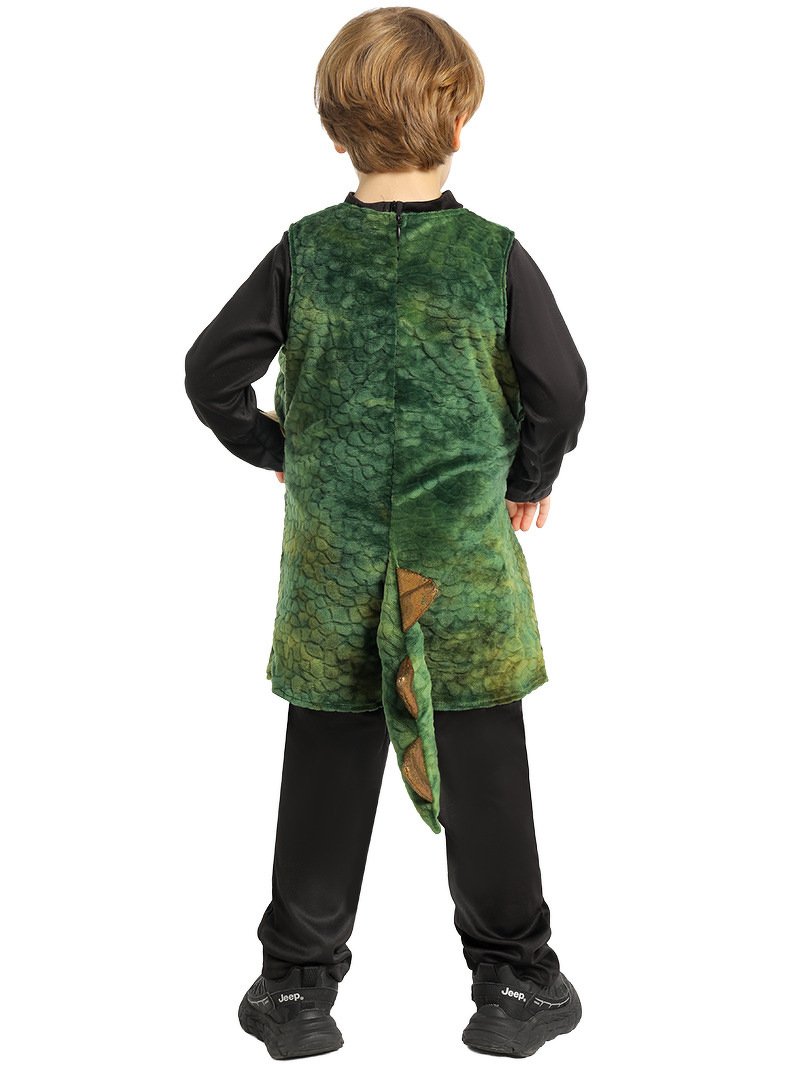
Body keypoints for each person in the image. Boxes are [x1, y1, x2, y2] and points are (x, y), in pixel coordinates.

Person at [184, 6, 587, 1060]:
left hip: (336, 568)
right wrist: (529, 476)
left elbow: (210, 372)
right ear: (458, 125)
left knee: (326, 756)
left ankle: (294, 988)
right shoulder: (491, 255)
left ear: (334, 130)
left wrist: (280, 449)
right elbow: (560, 384)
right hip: (459, 569)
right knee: (484, 759)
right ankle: (514, 981)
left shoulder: (304, 253)